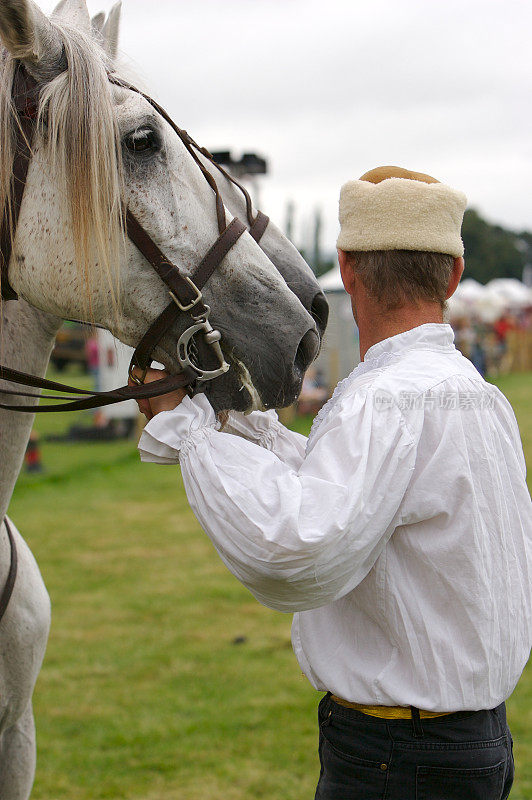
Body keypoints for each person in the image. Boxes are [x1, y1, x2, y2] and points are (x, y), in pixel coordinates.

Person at [132, 166, 532, 799]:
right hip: (472, 743)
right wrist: (234, 425)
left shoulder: (385, 400)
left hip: (398, 757)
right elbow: (351, 491)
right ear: (453, 275)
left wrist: (192, 434)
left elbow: (298, 544)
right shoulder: (483, 401)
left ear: (345, 270)